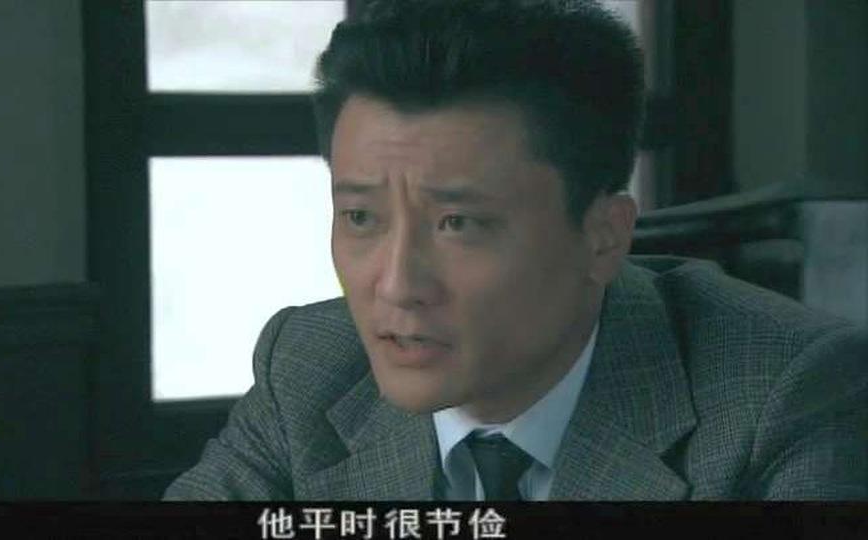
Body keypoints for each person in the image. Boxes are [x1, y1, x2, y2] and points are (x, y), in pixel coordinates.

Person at [164, 0, 867, 500]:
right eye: (360, 216)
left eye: (458, 223)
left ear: (603, 236)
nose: (397, 285)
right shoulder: (309, 366)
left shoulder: (785, 398)